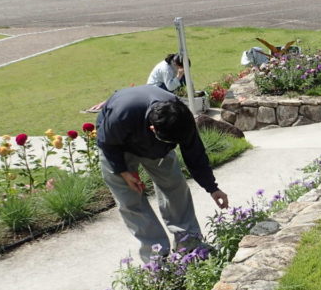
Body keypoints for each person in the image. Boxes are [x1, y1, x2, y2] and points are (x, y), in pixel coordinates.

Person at [96, 85, 229, 263]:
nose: (172, 146)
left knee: (175, 188)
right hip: (116, 147)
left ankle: (190, 246)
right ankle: (157, 258)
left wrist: (212, 187)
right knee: (130, 201)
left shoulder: (180, 117)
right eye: (169, 142)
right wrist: (123, 171)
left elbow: (194, 153)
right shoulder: (123, 114)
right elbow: (106, 142)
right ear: (153, 129)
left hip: (154, 149)